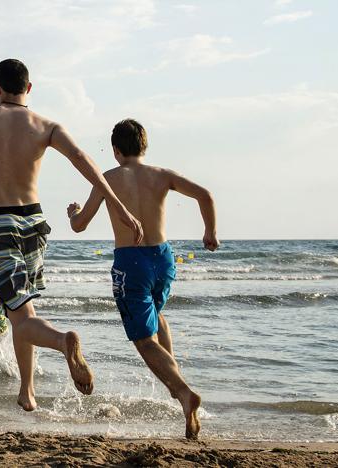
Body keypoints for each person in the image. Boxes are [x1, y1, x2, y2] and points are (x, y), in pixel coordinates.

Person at [0, 58, 144, 412]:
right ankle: (26, 389)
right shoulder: (46, 125)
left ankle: (64, 342)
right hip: (33, 222)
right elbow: (81, 159)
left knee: (21, 316)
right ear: (29, 89)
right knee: (23, 309)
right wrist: (119, 206)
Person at [67, 119, 217, 439]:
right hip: (163, 260)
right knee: (156, 317)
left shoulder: (108, 179)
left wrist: (71, 213)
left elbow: (80, 225)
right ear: (144, 147)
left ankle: (183, 392)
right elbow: (205, 195)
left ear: (116, 151)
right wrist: (210, 233)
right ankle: (173, 378)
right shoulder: (162, 176)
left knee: (143, 340)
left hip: (130, 261)